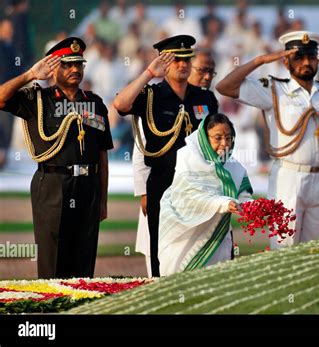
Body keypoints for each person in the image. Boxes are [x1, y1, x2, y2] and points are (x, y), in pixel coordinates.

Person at [216, 31, 319, 248]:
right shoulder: (274, 89)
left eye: (311, 57)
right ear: (286, 62)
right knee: (283, 246)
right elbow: (224, 87)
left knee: (317, 249)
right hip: (289, 177)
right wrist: (260, 60)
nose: (306, 63)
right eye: (299, 57)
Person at [0, 37, 113, 278]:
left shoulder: (95, 103)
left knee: (84, 262)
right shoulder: (38, 99)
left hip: (88, 186)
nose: (75, 69)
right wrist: (30, 74)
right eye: (67, 64)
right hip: (53, 185)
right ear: (53, 69)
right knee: (53, 262)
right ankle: (51, 311)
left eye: (79, 64)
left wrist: (102, 200)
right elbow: (1, 98)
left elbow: (102, 155)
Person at [113, 35, 218, 277]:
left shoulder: (204, 98)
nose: (182, 64)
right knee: (161, 245)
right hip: (163, 181)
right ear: (164, 63)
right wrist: (149, 73)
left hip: (197, 182)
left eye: (186, 59)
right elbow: (120, 105)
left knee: (196, 243)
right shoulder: (151, 95)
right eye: (175, 60)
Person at [159, 113, 252, 276]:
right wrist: (223, 203)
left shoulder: (233, 166)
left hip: (218, 239)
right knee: (180, 285)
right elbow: (189, 197)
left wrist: (248, 206)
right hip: (186, 237)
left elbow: (243, 194)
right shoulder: (187, 157)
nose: (225, 144)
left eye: (228, 138)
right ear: (204, 138)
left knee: (216, 285)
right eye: (218, 138)